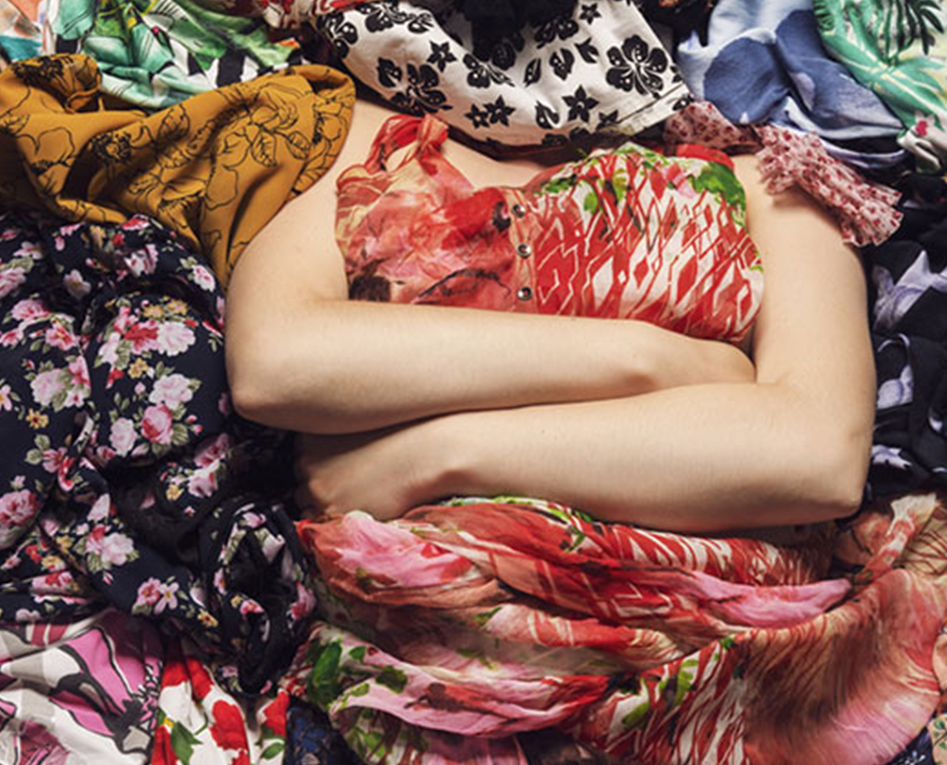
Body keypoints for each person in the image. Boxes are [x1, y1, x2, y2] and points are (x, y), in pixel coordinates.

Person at [224, 94, 875, 535]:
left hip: (693, 636)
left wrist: (433, 455)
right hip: (412, 631)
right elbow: (276, 362)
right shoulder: (364, 139)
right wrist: (653, 361)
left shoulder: (771, 179)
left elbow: (818, 457)